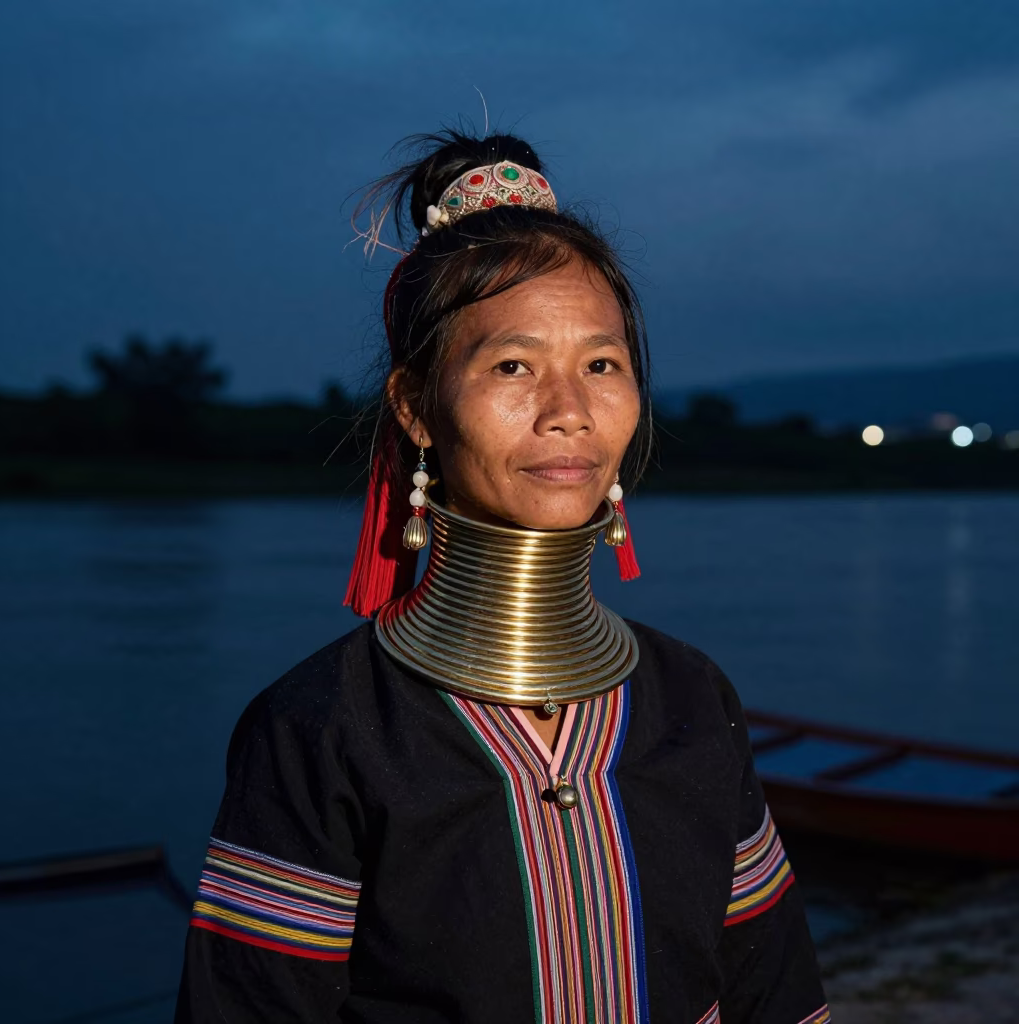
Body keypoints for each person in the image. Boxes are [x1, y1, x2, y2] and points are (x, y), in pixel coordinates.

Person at [175, 128, 830, 1023]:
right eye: (513, 365)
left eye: (602, 364)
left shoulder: (691, 696)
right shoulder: (322, 730)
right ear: (416, 407)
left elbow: (774, 990)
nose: (570, 412)